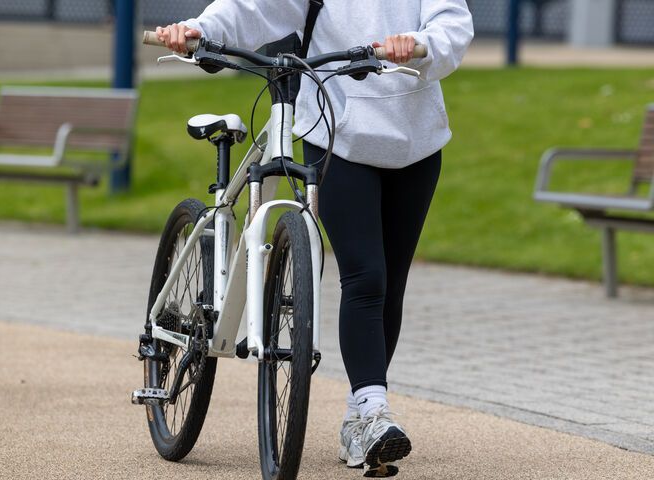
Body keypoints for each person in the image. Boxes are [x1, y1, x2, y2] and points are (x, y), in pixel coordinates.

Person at [157, 1, 473, 476]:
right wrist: (198, 29)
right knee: (365, 276)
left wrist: (423, 44)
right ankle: (372, 412)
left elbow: (453, 22)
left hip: (417, 138)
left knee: (392, 282)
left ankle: (359, 422)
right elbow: (256, 6)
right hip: (337, 130)